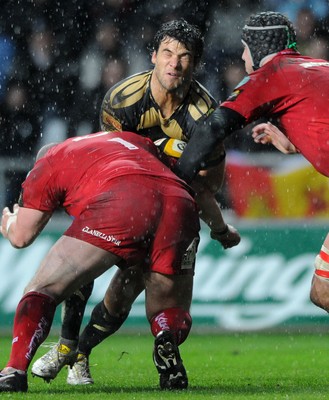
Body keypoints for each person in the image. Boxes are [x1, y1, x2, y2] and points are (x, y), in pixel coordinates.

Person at [31, 18, 241, 386]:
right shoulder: (121, 100)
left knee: (123, 295)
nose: (174, 63)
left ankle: (78, 350)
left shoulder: (205, 119)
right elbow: (107, 161)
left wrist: (218, 226)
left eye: (184, 56)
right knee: (86, 266)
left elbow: (207, 185)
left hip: (172, 209)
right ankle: (66, 346)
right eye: (167, 54)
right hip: (121, 199)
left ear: (195, 64)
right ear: (153, 56)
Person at [0, 130, 201, 393]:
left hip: (123, 200)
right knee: (167, 308)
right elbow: (173, 160)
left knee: (43, 289)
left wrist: (10, 222)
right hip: (180, 202)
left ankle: (14, 371)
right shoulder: (126, 138)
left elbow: (22, 236)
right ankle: (166, 336)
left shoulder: (49, 161)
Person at [173, 11, 329, 328]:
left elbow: (214, 127)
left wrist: (176, 184)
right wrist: (296, 143)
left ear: (257, 48)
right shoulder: (319, 67)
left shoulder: (270, 74)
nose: (244, 57)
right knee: (322, 290)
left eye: (245, 49)